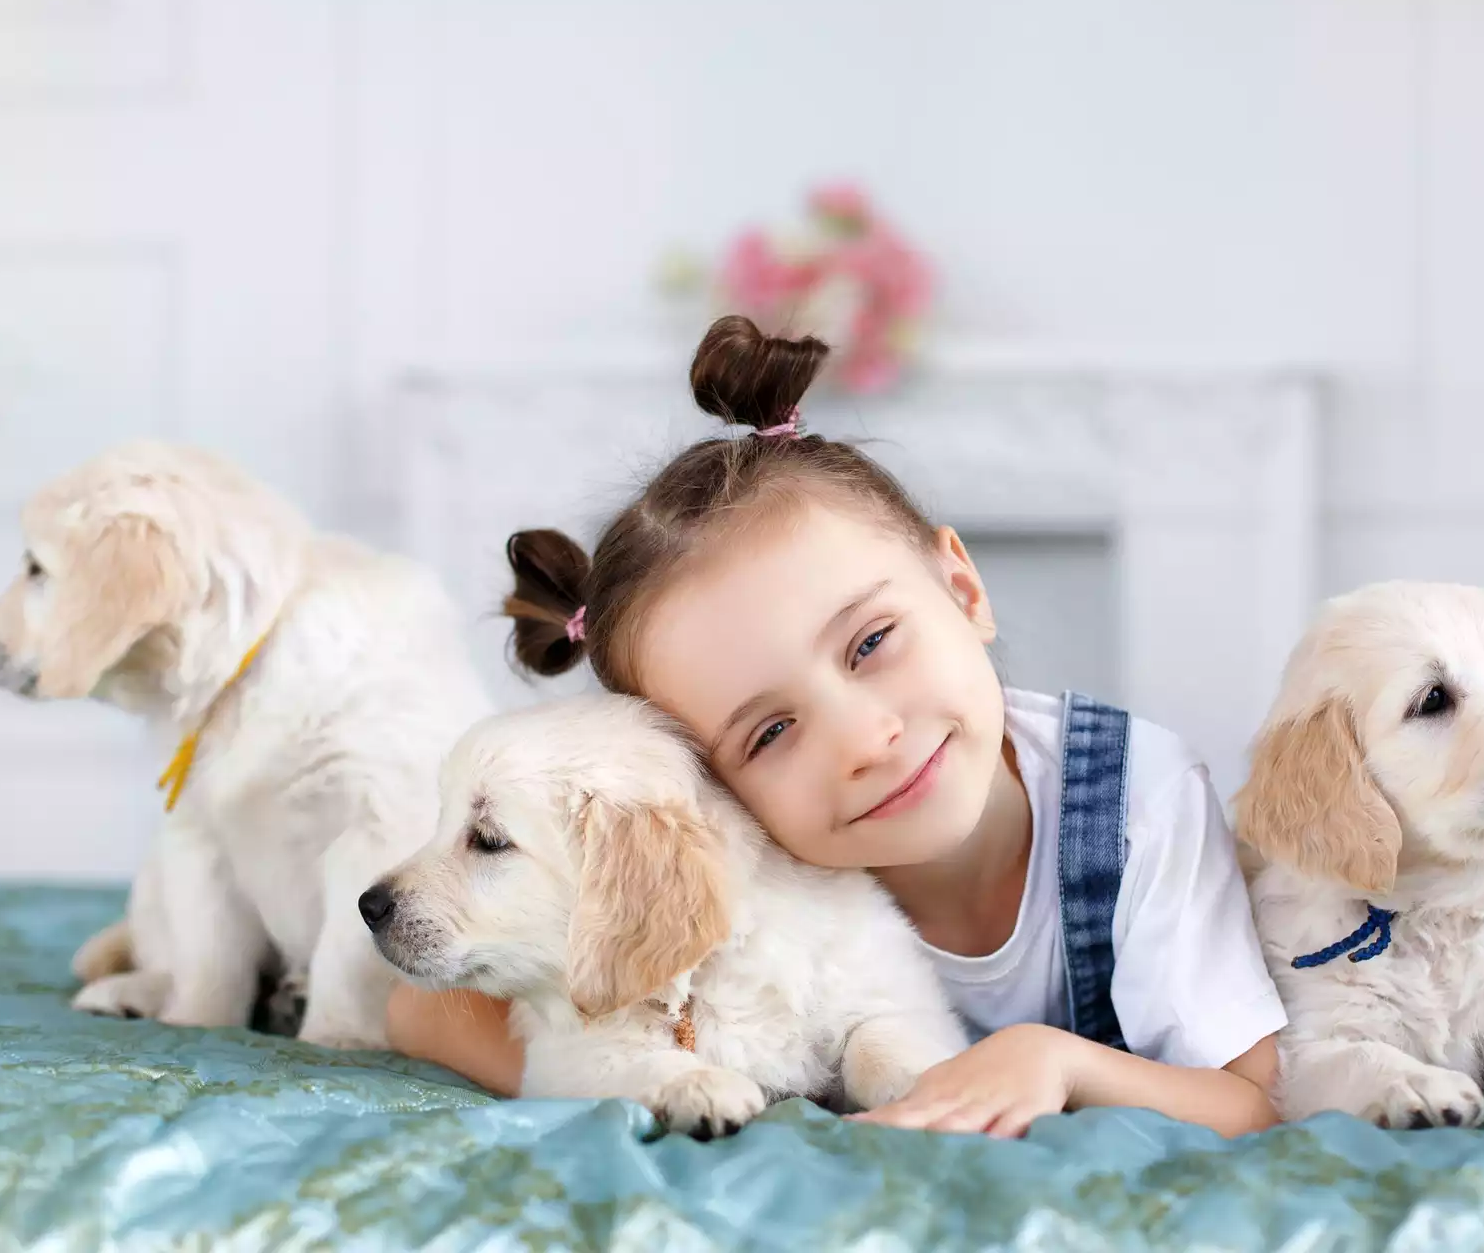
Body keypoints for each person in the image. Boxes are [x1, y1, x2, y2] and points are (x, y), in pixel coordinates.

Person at [388, 315, 1283, 1138]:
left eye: (871, 643)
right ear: (719, 793)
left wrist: (1056, 1060)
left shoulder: (1139, 801)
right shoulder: (741, 870)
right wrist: (626, 1079)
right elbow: (419, 1011)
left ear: (962, 590)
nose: (863, 740)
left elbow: (1250, 1101)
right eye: (770, 735)